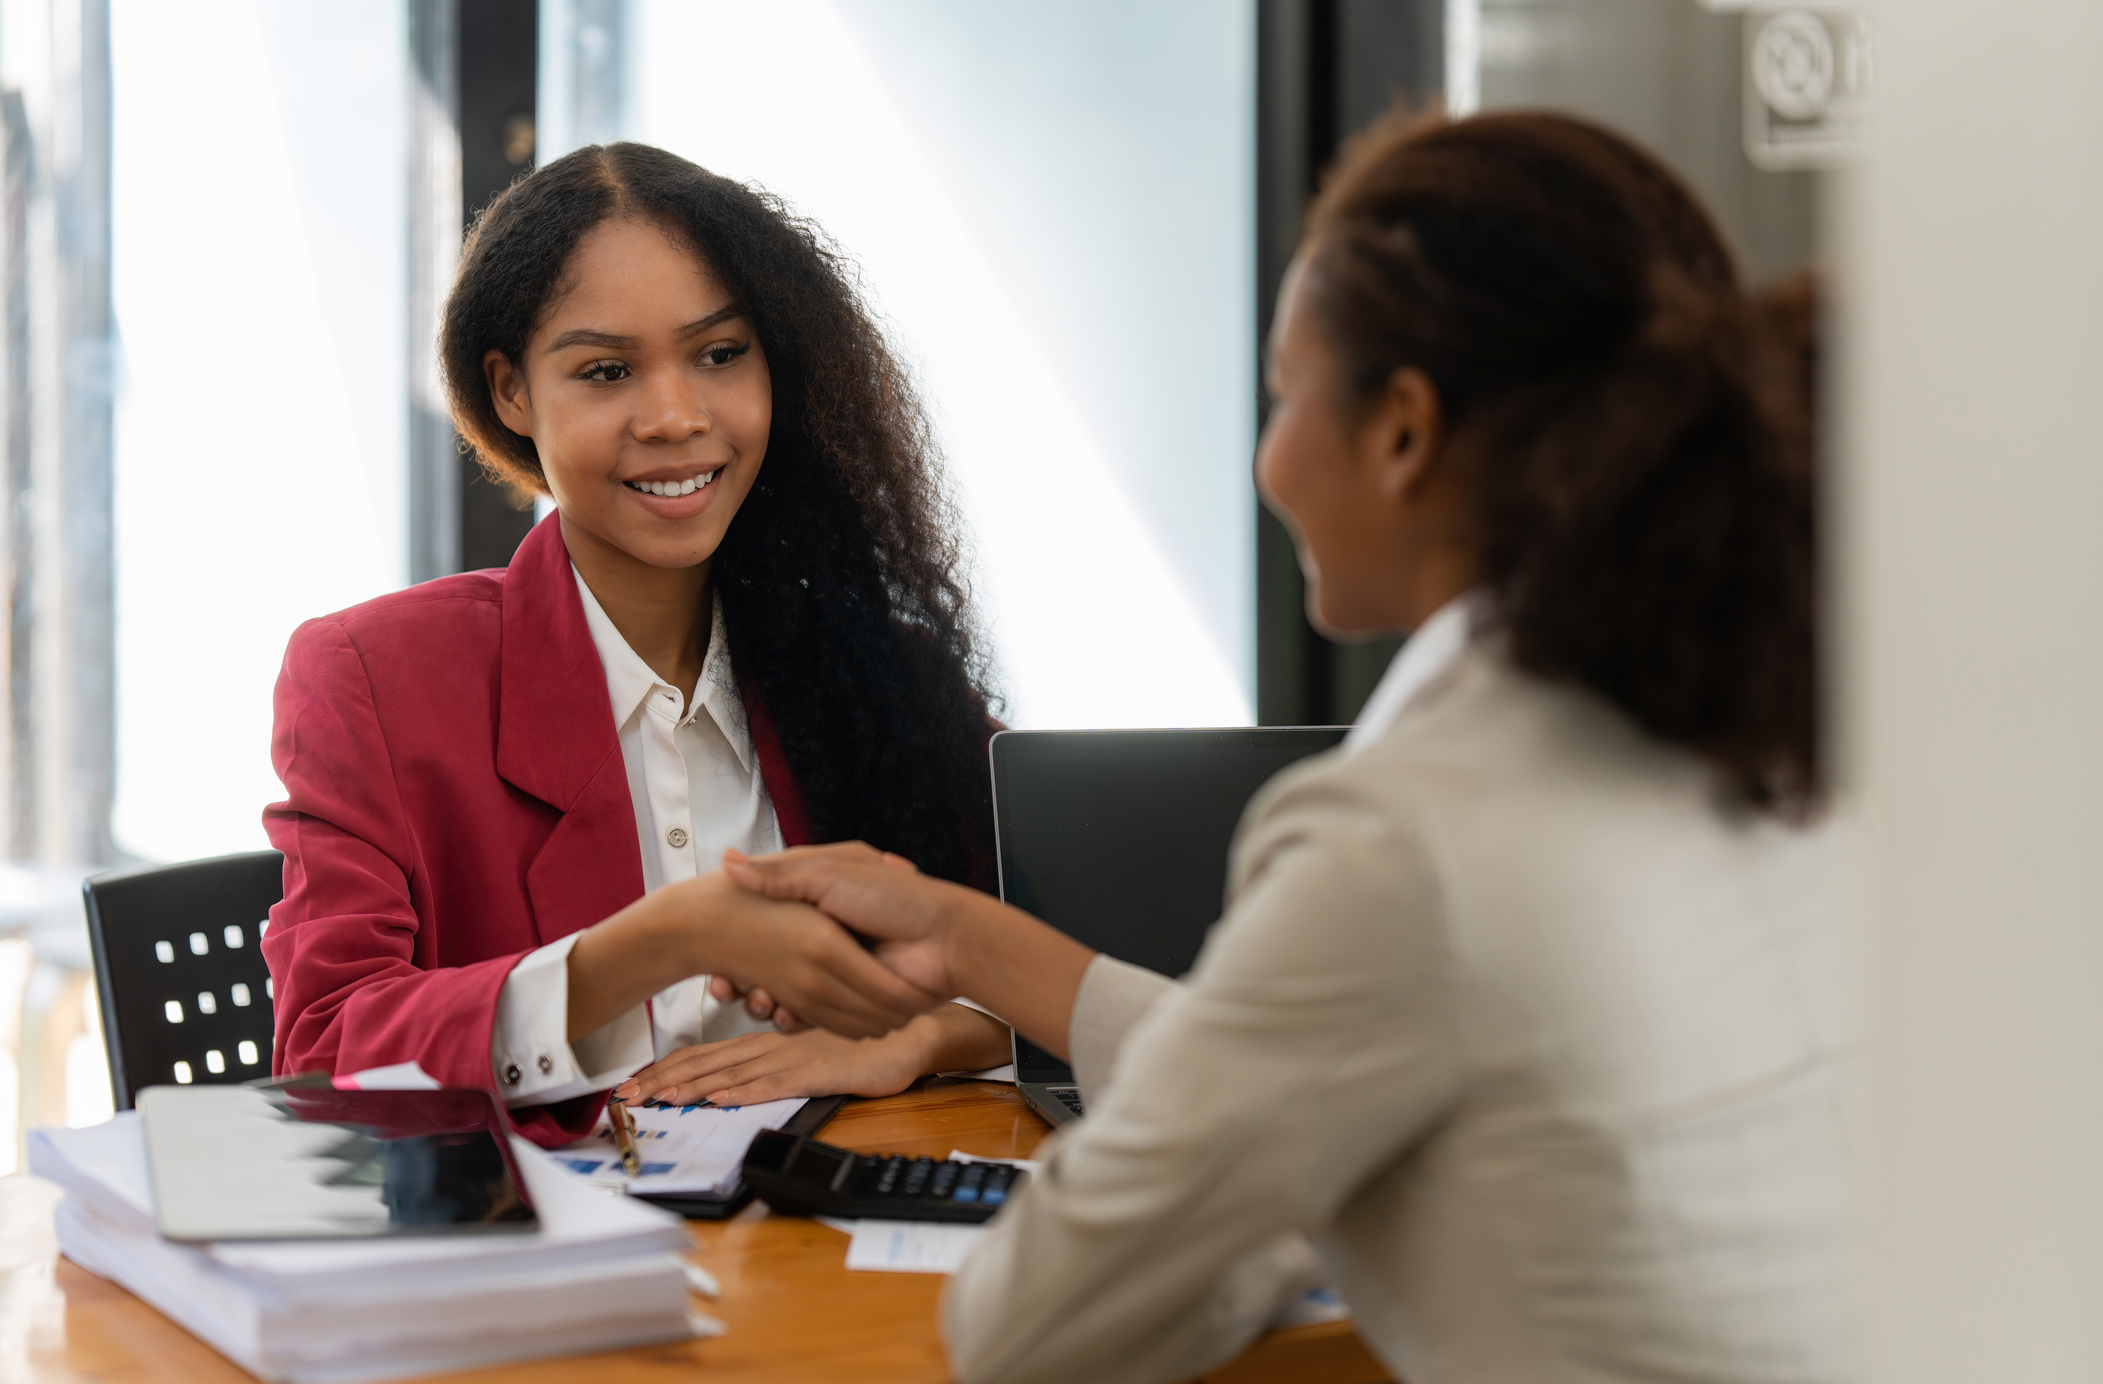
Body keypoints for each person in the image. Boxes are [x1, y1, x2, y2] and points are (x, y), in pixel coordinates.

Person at [723, 110, 1858, 1384]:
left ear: (1403, 431)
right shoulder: (1760, 721)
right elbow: (1341, 1048)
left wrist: (1249, 1207)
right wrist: (972, 942)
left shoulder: (1409, 829)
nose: (1268, 457)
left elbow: (1031, 1328)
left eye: (1283, 394)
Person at [261, 143, 1010, 1146]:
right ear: (512, 392)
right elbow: (324, 1054)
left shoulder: (876, 667)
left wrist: (912, 1039)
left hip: (824, 1259)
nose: (674, 417)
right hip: (548, 1276)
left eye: (720, 354)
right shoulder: (372, 680)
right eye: (607, 370)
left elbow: (1063, 965)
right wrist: (654, 944)